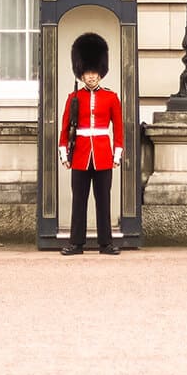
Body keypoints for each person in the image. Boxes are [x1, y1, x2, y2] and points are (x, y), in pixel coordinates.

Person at [58, 32, 123, 255]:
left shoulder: (111, 97)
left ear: (101, 72)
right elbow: (65, 128)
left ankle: (106, 243)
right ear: (81, 73)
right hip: (80, 155)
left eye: (94, 72)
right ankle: (76, 243)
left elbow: (119, 128)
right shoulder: (73, 98)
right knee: (79, 201)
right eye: (87, 72)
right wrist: (64, 154)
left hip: (104, 154)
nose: (91, 76)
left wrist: (117, 154)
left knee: (103, 200)